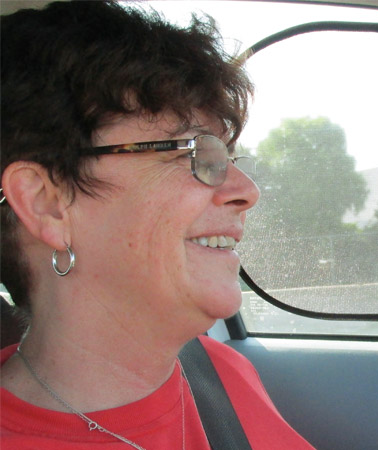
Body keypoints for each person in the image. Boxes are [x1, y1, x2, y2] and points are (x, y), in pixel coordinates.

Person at [0, 1, 314, 448]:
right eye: (194, 152)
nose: (247, 190)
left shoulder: (219, 372)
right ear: (47, 204)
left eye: (228, 156)